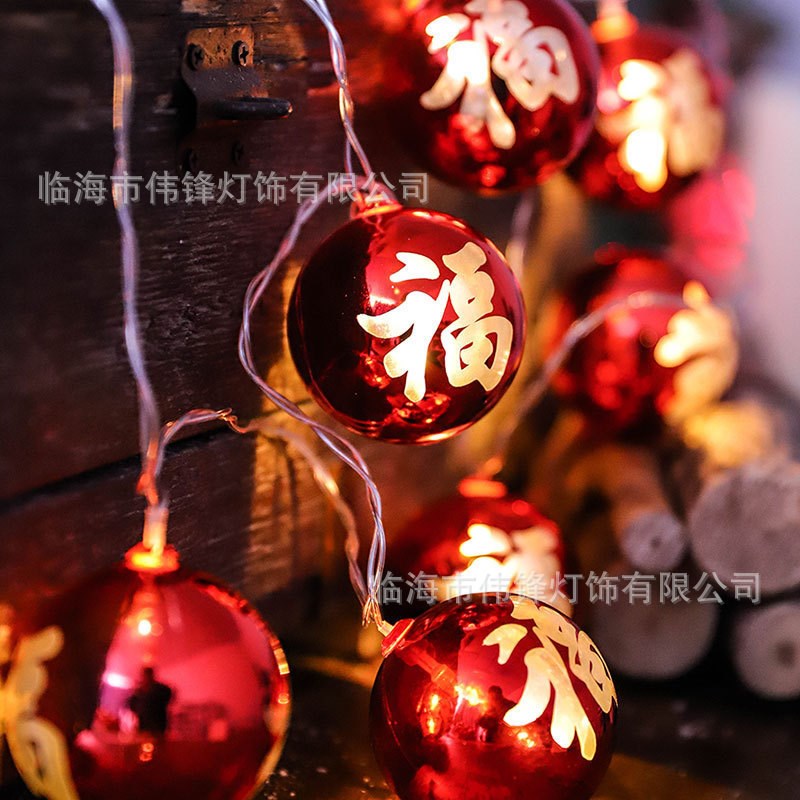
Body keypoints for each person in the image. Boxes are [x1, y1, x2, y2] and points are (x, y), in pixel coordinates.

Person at [127, 666, 173, 736]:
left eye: (146, 675)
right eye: (144, 675)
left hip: (157, 724)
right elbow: (132, 703)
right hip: (143, 724)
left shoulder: (160, 689)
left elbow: (168, 697)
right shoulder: (140, 690)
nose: (145, 677)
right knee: (144, 743)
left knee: (156, 743)